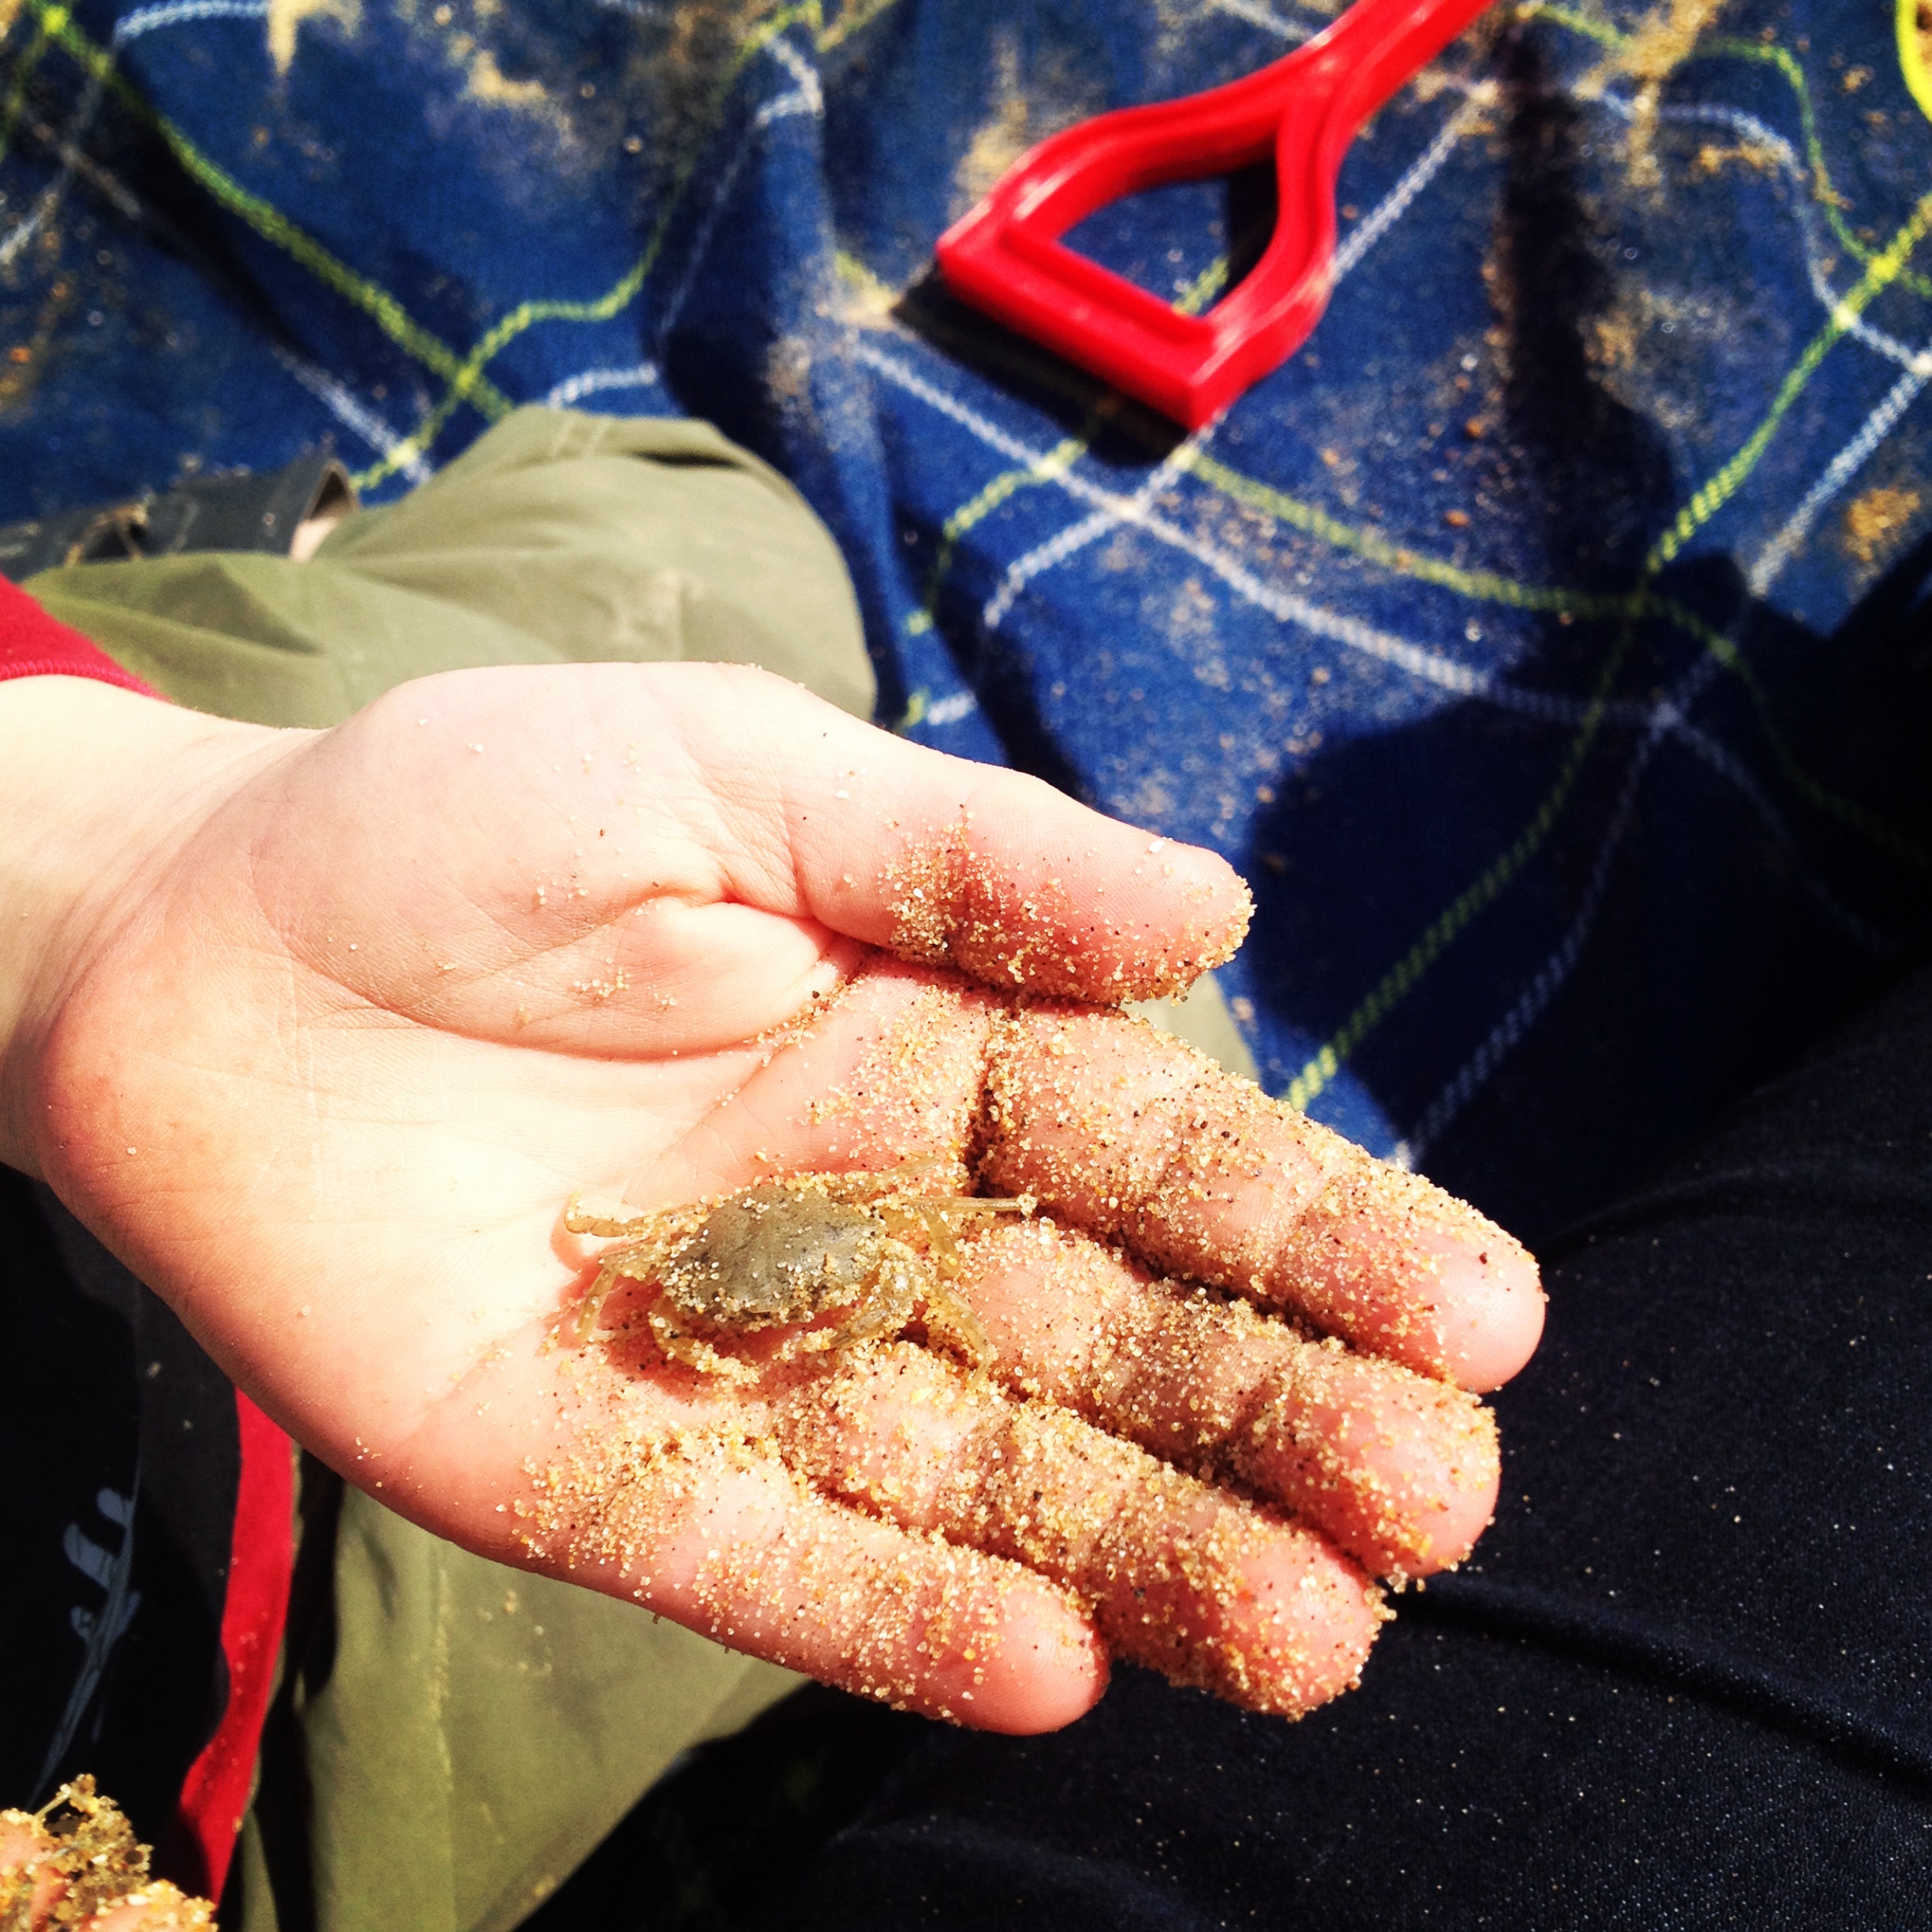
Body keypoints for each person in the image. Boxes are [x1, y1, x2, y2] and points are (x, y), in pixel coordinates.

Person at [0, 410, 1541, 1930]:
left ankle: (164, 637)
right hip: (212, 1748)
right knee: (1178, 1056)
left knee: (720, 527)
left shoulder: (822, 1220)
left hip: (118, 897)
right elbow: (658, 1294)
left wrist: (107, 868)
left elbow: (823, 1235)